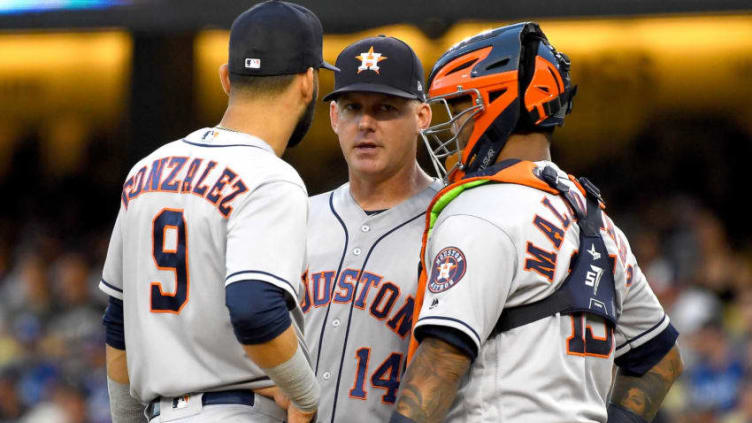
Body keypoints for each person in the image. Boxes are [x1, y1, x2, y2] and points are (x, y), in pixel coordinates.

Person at [390, 22, 683, 423]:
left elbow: (441, 361)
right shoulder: (597, 221)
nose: (453, 125)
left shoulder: (480, 211)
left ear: (497, 105)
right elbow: (661, 360)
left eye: (460, 107)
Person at [98, 1, 338, 422]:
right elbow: (253, 307)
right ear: (307, 83)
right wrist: (306, 395)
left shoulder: (146, 171)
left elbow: (118, 323)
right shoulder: (271, 178)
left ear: (226, 78)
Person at [301, 35, 441, 423]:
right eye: (351, 107)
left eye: (385, 108)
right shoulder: (299, 216)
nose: (365, 123)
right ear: (333, 118)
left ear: (422, 117)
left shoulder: (454, 222)